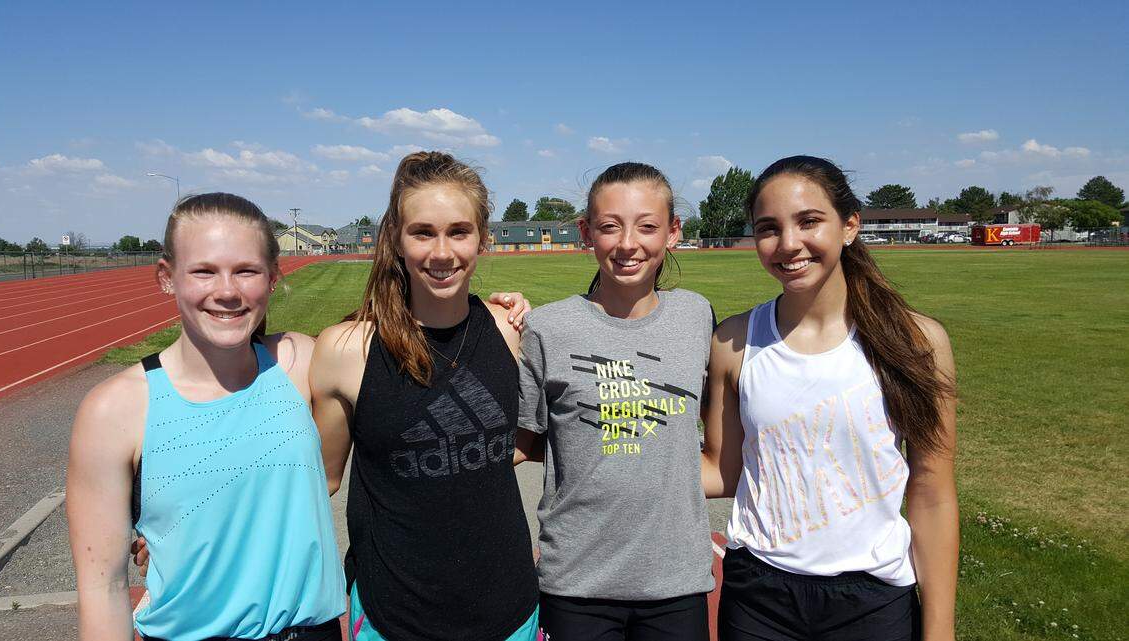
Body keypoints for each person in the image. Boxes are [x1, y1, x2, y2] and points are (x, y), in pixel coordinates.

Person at [701, 156, 959, 641]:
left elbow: (932, 492)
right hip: (759, 597)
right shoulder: (734, 342)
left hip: (873, 601)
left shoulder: (916, 342)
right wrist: (596, 456)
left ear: (850, 226)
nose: (789, 243)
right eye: (769, 228)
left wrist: (939, 630)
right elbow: (723, 469)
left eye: (809, 221)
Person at [68, 193, 346, 641]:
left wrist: (497, 314)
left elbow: (399, 350)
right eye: (204, 271)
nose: (227, 291)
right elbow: (103, 588)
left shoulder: (300, 364)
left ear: (273, 278)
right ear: (167, 277)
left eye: (246, 271)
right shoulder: (114, 410)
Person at [310, 151, 541, 641]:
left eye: (459, 231)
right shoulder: (346, 350)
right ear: (396, 237)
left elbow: (521, 442)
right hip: (393, 618)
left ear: (484, 237)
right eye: (422, 232)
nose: (442, 252)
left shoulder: (511, 330)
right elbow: (318, 480)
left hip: (509, 611)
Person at [516, 162, 714, 640]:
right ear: (587, 232)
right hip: (577, 583)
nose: (629, 243)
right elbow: (527, 443)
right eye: (610, 226)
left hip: (675, 581)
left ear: (673, 232)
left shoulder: (697, 316)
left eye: (647, 226)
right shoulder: (548, 327)